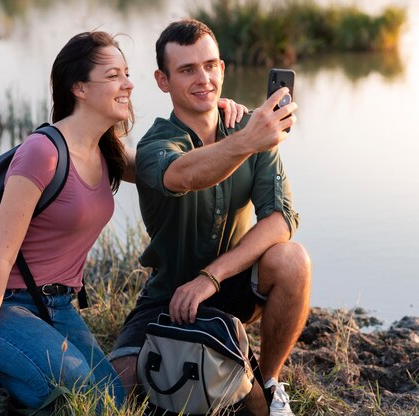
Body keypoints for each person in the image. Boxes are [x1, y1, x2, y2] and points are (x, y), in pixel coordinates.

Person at [0, 30, 247, 413]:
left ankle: (18, 374)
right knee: (86, 401)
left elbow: (178, 173)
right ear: (79, 88)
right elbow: (0, 260)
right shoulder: (43, 152)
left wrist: (215, 113)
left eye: (126, 73)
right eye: (113, 76)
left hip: (58, 305)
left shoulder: (108, 151)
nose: (128, 83)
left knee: (115, 401)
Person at [109, 19, 312, 416]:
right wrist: (246, 141)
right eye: (187, 70)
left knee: (293, 259)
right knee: (120, 386)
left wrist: (211, 278)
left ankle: (268, 385)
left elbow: (281, 219)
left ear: (223, 68)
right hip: (168, 296)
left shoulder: (251, 127)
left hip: (232, 290)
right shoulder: (157, 143)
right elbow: (184, 174)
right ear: (162, 80)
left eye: (210, 65)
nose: (203, 78)